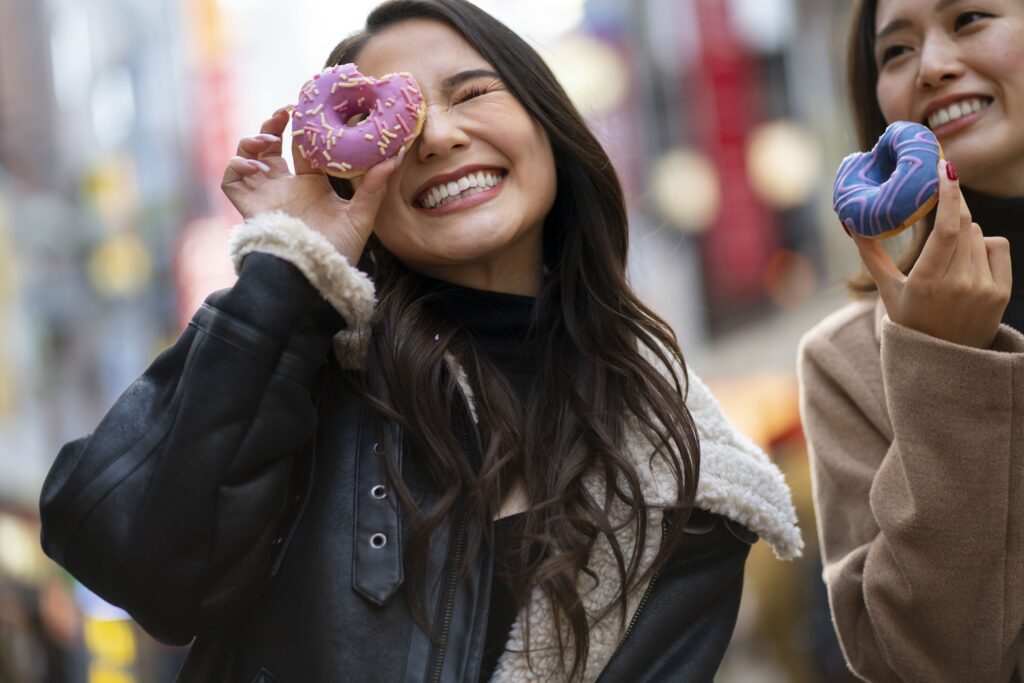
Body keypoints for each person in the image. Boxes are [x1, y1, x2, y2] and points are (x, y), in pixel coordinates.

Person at [38, 1, 801, 680]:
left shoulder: (689, 482)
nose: (436, 136)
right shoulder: (306, 374)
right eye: (393, 131)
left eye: (470, 93)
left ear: (547, 123)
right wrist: (288, 271)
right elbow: (132, 558)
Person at [798, 0, 1024, 681]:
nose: (931, 66)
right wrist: (944, 364)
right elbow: (922, 662)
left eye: (971, 19)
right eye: (895, 51)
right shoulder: (845, 361)